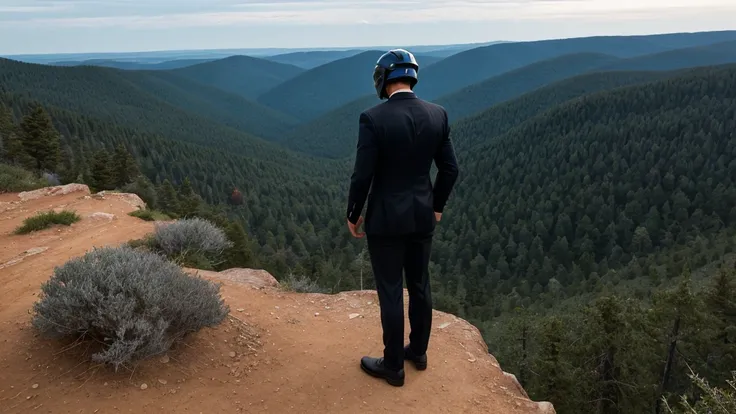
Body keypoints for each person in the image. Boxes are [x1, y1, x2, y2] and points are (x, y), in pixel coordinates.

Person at [345, 48, 460, 387]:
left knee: (392, 289)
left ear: (383, 80)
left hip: (385, 220)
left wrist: (354, 212)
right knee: (420, 284)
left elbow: (362, 174)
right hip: (422, 216)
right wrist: (436, 205)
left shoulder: (373, 118)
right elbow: (450, 169)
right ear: (412, 77)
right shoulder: (438, 114)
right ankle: (418, 352)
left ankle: (393, 364)